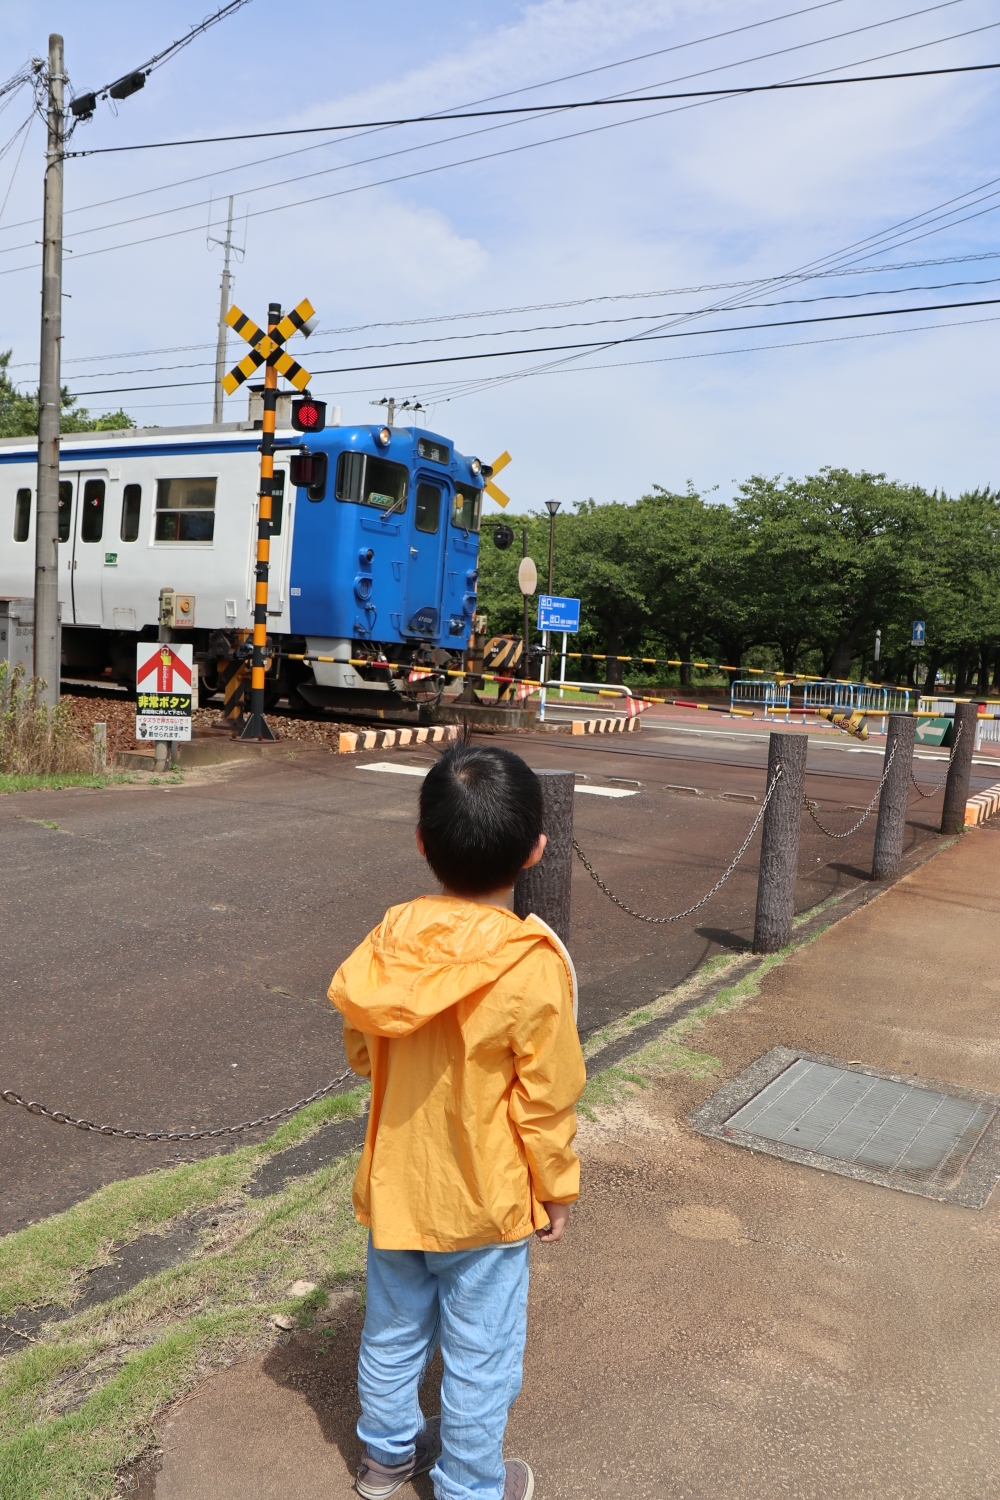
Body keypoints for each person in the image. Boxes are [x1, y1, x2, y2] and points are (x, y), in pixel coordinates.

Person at [329, 742, 587, 1500]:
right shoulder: (532, 963)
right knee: (481, 1354)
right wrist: (557, 1188)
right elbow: (546, 1098)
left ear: (422, 841)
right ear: (537, 847)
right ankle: (471, 1484)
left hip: (399, 1184)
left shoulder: (389, 938)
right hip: (488, 1201)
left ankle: (383, 1461)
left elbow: (362, 1052)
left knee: (392, 1331)